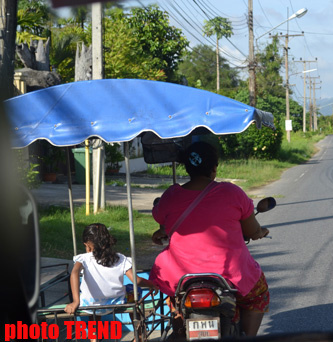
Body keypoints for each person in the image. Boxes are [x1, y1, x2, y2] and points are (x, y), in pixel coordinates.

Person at [149, 141, 270, 337]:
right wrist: (259, 232)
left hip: (181, 276)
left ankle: (181, 328)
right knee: (258, 295)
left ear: (187, 167)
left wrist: (162, 232)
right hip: (229, 273)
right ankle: (248, 336)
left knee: (175, 300)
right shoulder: (232, 192)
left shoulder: (170, 195)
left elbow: (163, 223)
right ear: (214, 168)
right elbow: (251, 229)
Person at [65, 223, 159, 341]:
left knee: (93, 302)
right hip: (116, 302)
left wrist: (75, 301)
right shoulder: (120, 258)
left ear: (87, 244)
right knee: (133, 291)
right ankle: (139, 334)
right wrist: (152, 284)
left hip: (90, 304)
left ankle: (95, 338)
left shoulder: (83, 258)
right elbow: (137, 281)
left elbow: (74, 274)